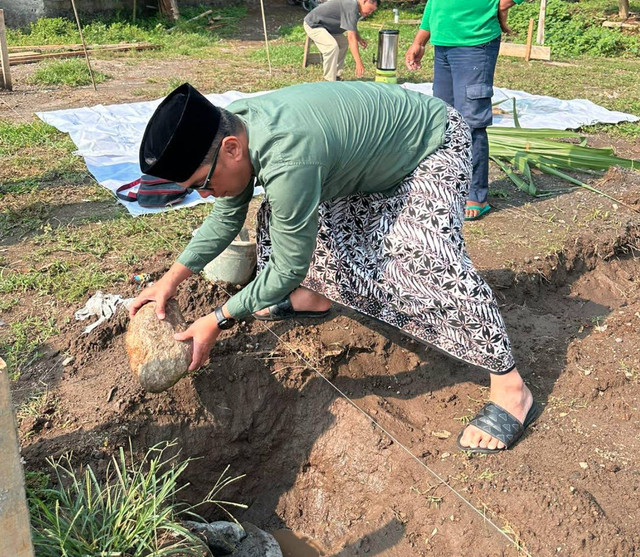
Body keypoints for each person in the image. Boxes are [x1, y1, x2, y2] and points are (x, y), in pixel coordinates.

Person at [130, 82, 537, 454]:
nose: (205, 193)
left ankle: (510, 387)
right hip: (364, 159)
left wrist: (218, 319)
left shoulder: (287, 154)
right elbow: (224, 218)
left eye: (202, 182)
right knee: (281, 217)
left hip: (430, 145)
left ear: (233, 148)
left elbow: (289, 265)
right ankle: (313, 296)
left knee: (422, 262)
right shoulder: (234, 126)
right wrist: (169, 281)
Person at [405, 0, 523, 221]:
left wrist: (497, 6)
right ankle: (450, 187)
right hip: (443, 45)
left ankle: (475, 195)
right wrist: (420, 41)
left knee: (470, 122)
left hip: (474, 43)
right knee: (444, 120)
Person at [303, 0, 379, 81]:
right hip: (314, 25)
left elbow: (351, 25)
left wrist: (359, 38)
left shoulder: (355, 7)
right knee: (332, 47)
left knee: (343, 43)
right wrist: (358, 62)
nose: (370, 12)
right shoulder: (351, 5)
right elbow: (351, 38)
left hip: (327, 28)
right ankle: (329, 80)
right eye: (370, 9)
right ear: (365, 1)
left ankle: (336, 75)